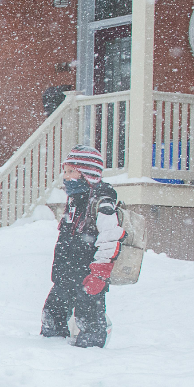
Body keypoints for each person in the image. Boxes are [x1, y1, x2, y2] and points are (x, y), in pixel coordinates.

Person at [40, 145, 123, 348]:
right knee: (52, 317)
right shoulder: (75, 201)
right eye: (65, 171)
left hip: (89, 278)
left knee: (89, 323)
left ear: (87, 173)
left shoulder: (102, 202)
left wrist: (100, 273)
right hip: (66, 276)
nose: (66, 177)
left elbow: (111, 237)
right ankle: (49, 354)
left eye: (71, 171)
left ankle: (89, 361)